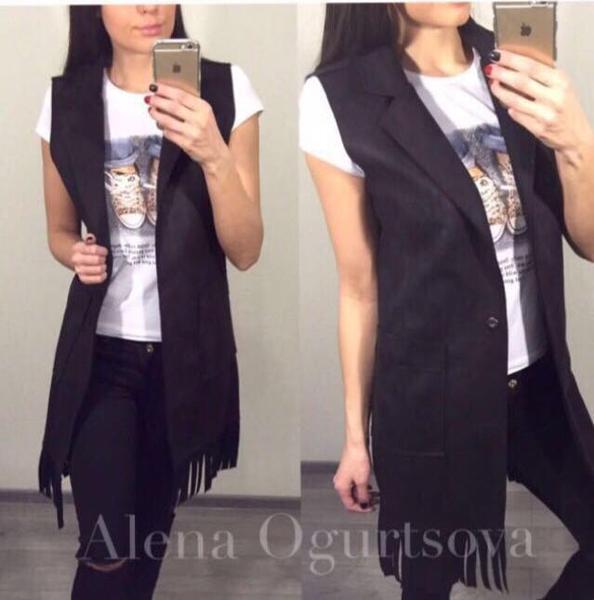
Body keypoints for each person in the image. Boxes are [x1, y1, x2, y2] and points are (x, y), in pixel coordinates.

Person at [299, 3, 594, 599]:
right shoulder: (340, 98)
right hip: (431, 397)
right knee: (428, 583)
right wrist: (355, 438)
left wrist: (577, 145)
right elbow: (359, 287)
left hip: (536, 384)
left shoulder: (512, 62)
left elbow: (589, 243)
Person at [35, 4, 263, 598]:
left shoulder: (225, 90)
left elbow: (245, 249)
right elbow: (59, 229)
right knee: (107, 551)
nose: (148, 6)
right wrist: (73, 254)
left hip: (184, 361)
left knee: (145, 544)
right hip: (101, 356)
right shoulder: (67, 102)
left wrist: (213, 152)